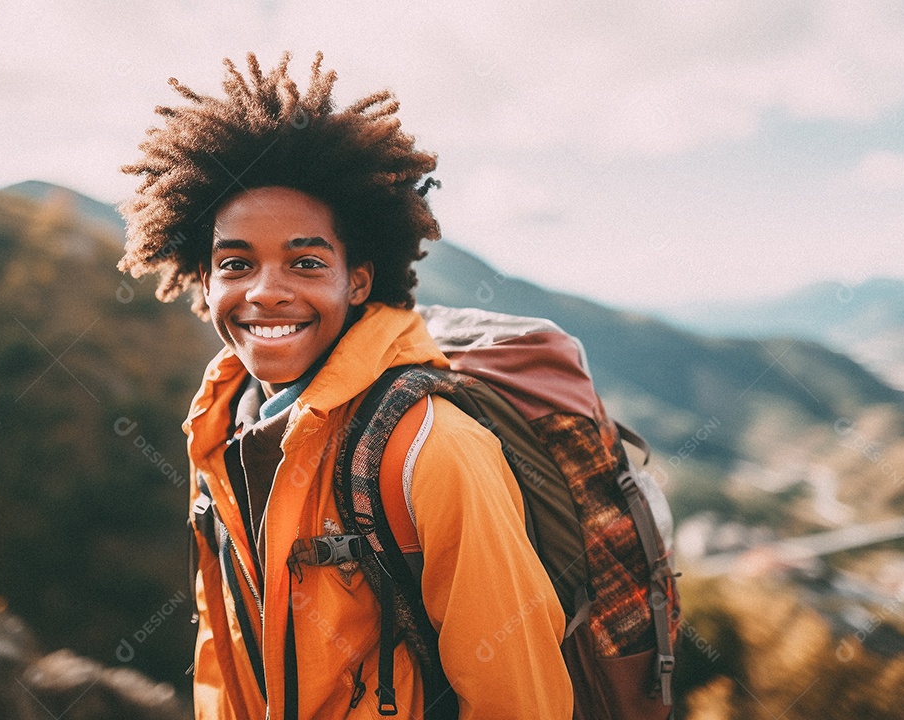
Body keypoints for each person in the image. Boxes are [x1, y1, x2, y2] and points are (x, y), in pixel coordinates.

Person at [118, 52, 572, 720]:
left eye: (305, 262)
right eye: (236, 263)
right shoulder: (221, 430)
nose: (266, 292)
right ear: (205, 280)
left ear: (356, 281)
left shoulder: (434, 452)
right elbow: (225, 649)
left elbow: (519, 699)